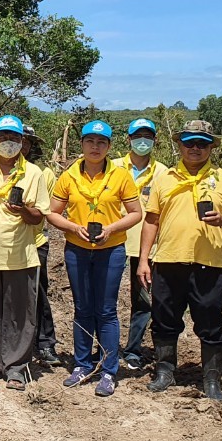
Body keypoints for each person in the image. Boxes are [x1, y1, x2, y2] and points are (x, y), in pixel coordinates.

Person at [138, 120, 222, 402]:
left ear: (211, 146)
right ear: (180, 145)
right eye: (189, 143)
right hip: (168, 260)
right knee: (164, 319)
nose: (195, 148)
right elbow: (151, 220)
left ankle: (211, 379)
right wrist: (143, 260)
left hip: (208, 264)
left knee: (210, 322)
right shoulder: (165, 179)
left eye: (202, 143)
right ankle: (165, 371)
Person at [48, 121, 143, 397]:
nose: (95, 147)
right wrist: (71, 227)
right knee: (83, 307)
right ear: (82, 144)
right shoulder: (69, 176)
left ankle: (109, 369)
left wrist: (111, 229)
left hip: (110, 250)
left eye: (101, 142)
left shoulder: (121, 175)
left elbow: (136, 212)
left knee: (106, 310)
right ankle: (82, 364)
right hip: (77, 249)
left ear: (109, 146)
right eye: (90, 141)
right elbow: (53, 212)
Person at [0, 115, 49, 390]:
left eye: (14, 138)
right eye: (3, 137)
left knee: (19, 312)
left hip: (21, 254)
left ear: (22, 142)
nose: (8, 143)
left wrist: (24, 210)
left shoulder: (34, 173)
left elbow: (39, 217)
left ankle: (16, 366)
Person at [112, 118, 168, 371]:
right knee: (106, 299)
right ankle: (106, 347)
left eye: (147, 136)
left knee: (143, 301)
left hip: (148, 246)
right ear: (128, 139)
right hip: (112, 241)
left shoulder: (164, 173)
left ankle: (133, 349)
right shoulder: (112, 167)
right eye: (137, 136)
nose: (142, 141)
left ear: (155, 140)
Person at [23, 125, 62, 367]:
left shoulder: (44, 173)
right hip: (1, 245)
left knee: (38, 295)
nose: (21, 145)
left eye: (26, 141)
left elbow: (46, 211)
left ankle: (45, 343)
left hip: (35, 242)